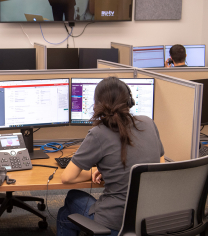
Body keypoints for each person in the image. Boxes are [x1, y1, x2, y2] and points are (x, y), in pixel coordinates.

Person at [57, 77, 165, 236]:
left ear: (96, 106)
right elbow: (160, 166)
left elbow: (67, 178)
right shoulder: (148, 122)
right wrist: (115, 172)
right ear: (130, 102)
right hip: (151, 220)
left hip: (115, 224)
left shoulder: (98, 133)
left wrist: (95, 174)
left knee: (70, 203)